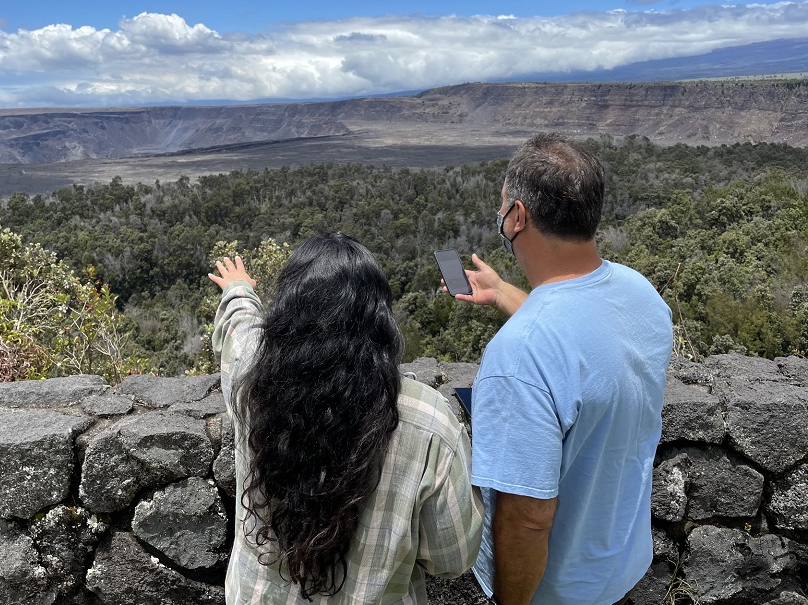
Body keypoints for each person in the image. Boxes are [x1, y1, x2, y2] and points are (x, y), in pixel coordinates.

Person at [451, 134, 673, 605]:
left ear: (517, 216)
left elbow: (528, 518)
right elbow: (582, 340)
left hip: (558, 591)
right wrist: (505, 293)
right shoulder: (641, 294)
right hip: (622, 564)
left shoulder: (519, 356)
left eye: (502, 208)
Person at [210, 233, 482, 604]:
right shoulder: (430, 422)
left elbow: (239, 330)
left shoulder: (251, 378)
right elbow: (452, 558)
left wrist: (239, 288)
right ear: (381, 320)